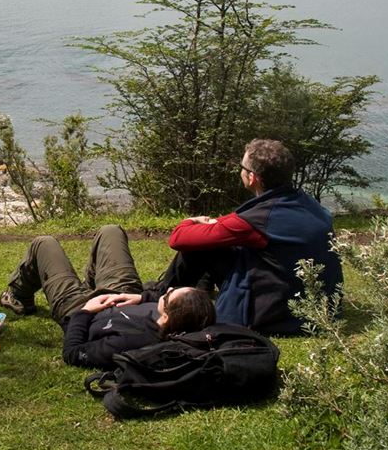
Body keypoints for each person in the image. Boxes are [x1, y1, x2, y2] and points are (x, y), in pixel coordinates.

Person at [143, 139, 342, 335]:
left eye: (242, 167)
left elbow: (178, 239)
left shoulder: (260, 219)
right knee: (215, 242)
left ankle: (164, 297)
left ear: (252, 177)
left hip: (272, 313)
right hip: (316, 308)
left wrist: (190, 221)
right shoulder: (307, 204)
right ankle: (187, 292)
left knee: (198, 246)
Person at [0, 225, 215, 369]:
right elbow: (163, 301)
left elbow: (73, 353)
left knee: (43, 243)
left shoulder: (131, 342)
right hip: (122, 293)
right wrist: (141, 298)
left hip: (78, 308)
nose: (166, 291)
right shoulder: (185, 318)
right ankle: (93, 282)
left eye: (168, 297)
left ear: (166, 318)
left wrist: (85, 312)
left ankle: (18, 295)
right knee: (110, 230)